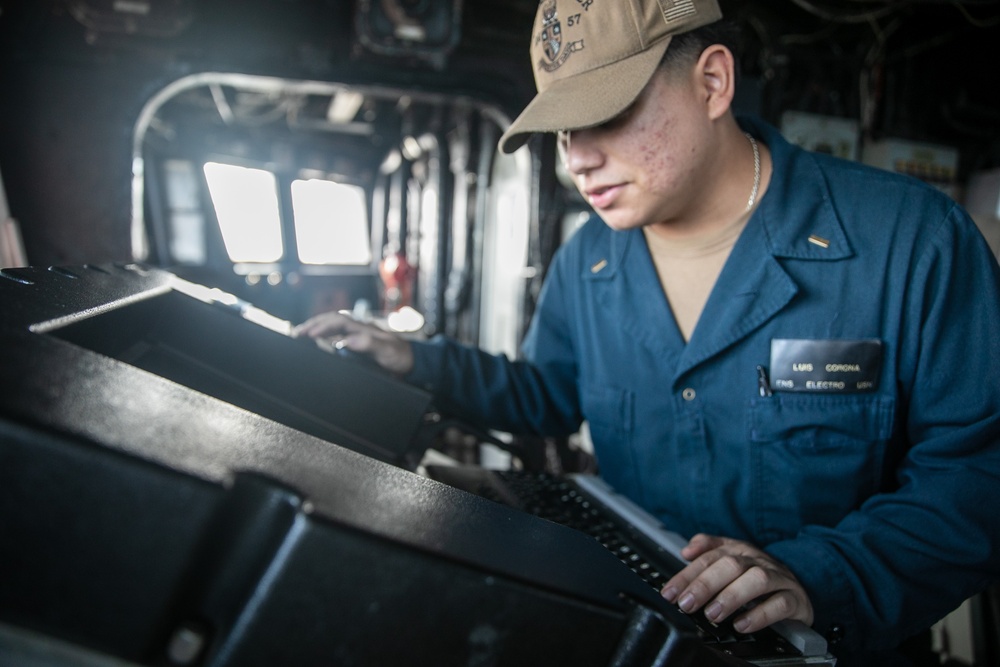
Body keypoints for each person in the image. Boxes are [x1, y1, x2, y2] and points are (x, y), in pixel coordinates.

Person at [294, 0, 1000, 663]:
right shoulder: (588, 261)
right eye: (564, 129)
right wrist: (414, 359)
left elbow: (975, 475)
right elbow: (549, 394)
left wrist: (823, 575)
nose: (576, 157)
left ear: (713, 82)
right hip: (639, 631)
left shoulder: (910, 244)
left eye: (605, 113)